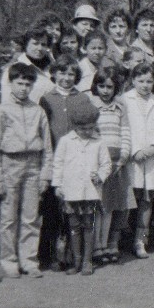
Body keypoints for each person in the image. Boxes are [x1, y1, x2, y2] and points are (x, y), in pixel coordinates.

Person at [0, 63, 52, 279]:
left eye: (28, 84)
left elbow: (47, 146)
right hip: (10, 163)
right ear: (10, 83)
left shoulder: (38, 111)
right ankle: (8, 260)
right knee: (8, 217)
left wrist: (46, 174)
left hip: (33, 165)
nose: (24, 88)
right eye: (20, 83)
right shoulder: (1, 111)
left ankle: (28, 260)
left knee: (31, 216)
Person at [38, 55, 90, 270]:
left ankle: (73, 256)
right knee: (51, 211)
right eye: (62, 73)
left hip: (76, 161)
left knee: (74, 212)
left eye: (70, 74)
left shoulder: (82, 99)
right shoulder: (46, 99)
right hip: (55, 161)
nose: (66, 78)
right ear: (54, 74)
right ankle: (47, 255)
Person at [51, 98, 111, 276]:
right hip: (71, 192)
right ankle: (76, 260)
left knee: (88, 226)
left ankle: (87, 261)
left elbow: (106, 164)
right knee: (74, 227)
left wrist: (100, 176)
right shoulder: (66, 141)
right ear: (75, 126)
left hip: (90, 192)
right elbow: (58, 164)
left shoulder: (98, 142)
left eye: (90, 128)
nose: (87, 131)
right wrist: (57, 185)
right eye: (82, 128)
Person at [123, 63, 154, 258]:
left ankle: (140, 240)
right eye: (141, 80)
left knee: (146, 202)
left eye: (149, 81)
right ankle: (118, 240)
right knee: (127, 199)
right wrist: (134, 151)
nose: (145, 85)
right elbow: (124, 127)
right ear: (133, 80)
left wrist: (153, 147)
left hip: (151, 158)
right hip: (131, 157)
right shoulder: (125, 100)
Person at [89, 67, 134, 264]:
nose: (105, 91)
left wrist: (123, 157)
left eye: (110, 87)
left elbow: (125, 132)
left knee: (110, 206)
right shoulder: (92, 106)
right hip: (98, 161)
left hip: (116, 162)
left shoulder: (119, 107)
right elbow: (90, 134)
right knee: (97, 205)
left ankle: (106, 243)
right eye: (101, 86)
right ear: (95, 86)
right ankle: (95, 245)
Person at [0, 27, 55, 104]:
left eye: (43, 44)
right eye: (35, 43)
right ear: (26, 44)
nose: (40, 48)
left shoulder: (52, 68)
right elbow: (7, 104)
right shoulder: (13, 70)